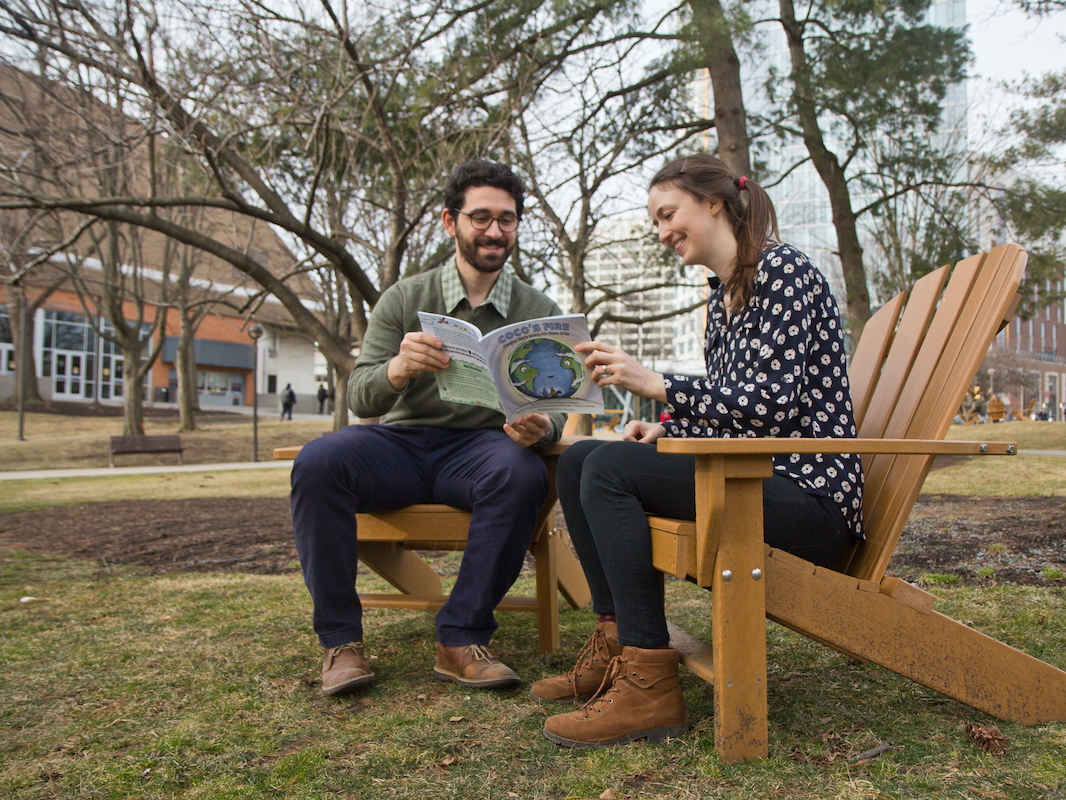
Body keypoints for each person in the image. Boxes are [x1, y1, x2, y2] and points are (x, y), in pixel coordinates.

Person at [533, 154, 864, 748]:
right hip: (752, 480)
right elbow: (737, 416)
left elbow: (770, 407)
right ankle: (616, 643)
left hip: (809, 502)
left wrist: (659, 383)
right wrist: (668, 425)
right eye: (656, 221)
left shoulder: (782, 271)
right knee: (584, 458)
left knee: (606, 469)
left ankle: (650, 685)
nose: (662, 232)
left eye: (669, 214)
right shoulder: (723, 297)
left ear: (714, 203)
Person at [289, 160, 565, 697]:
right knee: (318, 462)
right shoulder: (403, 299)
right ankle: (341, 643)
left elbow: (557, 405)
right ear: (450, 221)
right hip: (399, 443)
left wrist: (542, 430)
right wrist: (398, 366)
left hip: (485, 448)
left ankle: (460, 639)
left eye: (506, 220)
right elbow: (360, 395)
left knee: (522, 473)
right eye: (480, 217)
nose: (494, 231)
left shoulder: (537, 309)